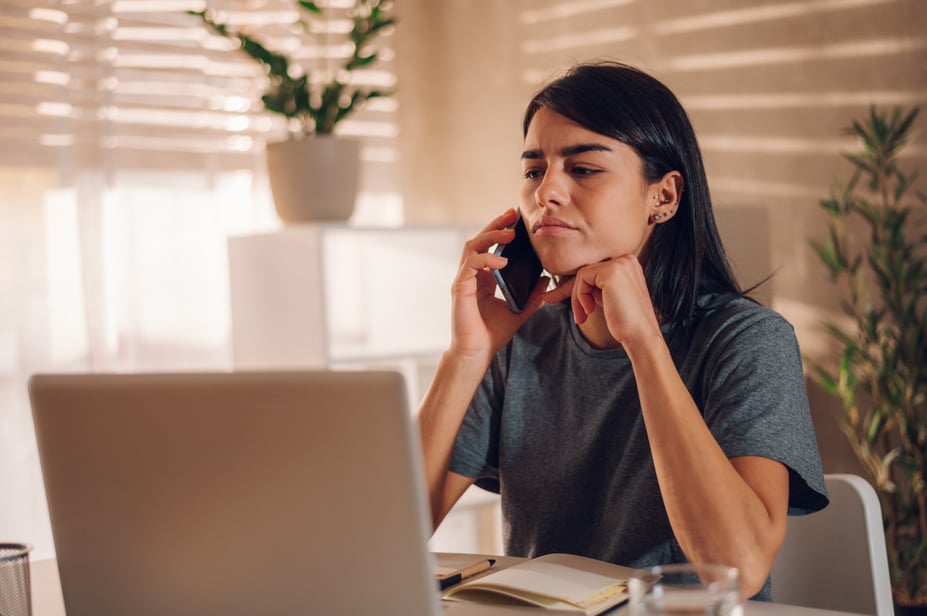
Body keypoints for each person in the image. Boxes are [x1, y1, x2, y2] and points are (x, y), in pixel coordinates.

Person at [416, 61, 828, 601]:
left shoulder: (747, 341)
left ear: (664, 197)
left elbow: (738, 569)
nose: (548, 193)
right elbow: (385, 538)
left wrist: (645, 345)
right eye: (534, 170)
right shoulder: (521, 344)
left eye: (583, 169)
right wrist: (467, 353)